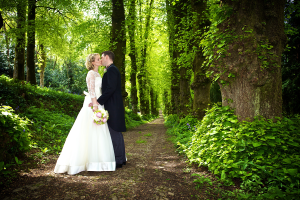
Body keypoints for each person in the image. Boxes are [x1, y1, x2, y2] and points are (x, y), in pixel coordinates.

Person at [54, 53, 116, 175]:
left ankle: (99, 162)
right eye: (98, 59)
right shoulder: (91, 74)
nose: (100, 60)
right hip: (93, 104)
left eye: (100, 58)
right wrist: (95, 106)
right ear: (93, 62)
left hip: (99, 103)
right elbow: (91, 91)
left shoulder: (99, 74)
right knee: (89, 130)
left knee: (99, 132)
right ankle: (84, 162)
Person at [96, 51, 127, 168]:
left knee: (114, 131)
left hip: (113, 106)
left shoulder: (112, 70)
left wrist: (98, 101)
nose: (101, 60)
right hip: (113, 105)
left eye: (102, 57)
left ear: (107, 57)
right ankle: (120, 158)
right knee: (114, 131)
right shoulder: (111, 69)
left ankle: (119, 160)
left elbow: (111, 89)